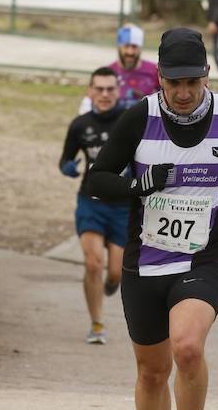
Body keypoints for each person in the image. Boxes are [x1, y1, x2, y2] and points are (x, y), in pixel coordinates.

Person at [87, 27, 218, 410]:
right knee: (153, 372)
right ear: (160, 78)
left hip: (203, 258)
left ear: (206, 74)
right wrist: (139, 185)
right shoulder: (140, 118)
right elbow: (97, 180)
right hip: (145, 262)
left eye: (192, 82)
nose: (184, 93)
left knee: (187, 348)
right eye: (174, 83)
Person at [60, 66, 131, 344]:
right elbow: (65, 158)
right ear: (90, 92)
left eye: (110, 89)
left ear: (118, 91)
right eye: (98, 89)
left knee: (115, 271)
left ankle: (112, 283)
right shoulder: (80, 125)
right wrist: (68, 167)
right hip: (91, 201)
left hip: (124, 205)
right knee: (93, 263)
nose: (104, 94)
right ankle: (97, 324)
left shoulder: (129, 121)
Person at [79, 24, 160, 113]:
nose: (130, 52)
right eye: (126, 46)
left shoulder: (155, 71)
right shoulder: (108, 73)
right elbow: (88, 104)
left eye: (134, 46)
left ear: (140, 48)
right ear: (119, 47)